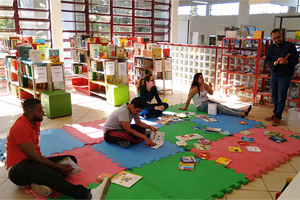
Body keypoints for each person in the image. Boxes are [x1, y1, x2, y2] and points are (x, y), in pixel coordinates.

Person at [5, 98, 111, 199]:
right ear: (30, 114)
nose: (43, 112)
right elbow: (33, 156)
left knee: (70, 160)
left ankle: (38, 182)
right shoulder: (21, 128)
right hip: (17, 169)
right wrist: (57, 167)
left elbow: (35, 156)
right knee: (54, 174)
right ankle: (88, 195)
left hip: (32, 162)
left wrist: (56, 166)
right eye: (40, 110)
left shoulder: (35, 121)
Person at [265, 29, 299, 126]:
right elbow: (267, 61)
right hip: (274, 74)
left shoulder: (290, 46)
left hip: (285, 75)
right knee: (274, 96)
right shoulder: (271, 47)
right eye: (274, 38)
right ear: (272, 38)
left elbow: (295, 60)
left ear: (281, 35)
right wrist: (275, 63)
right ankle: (276, 114)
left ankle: (277, 117)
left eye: (278, 37)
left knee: (281, 97)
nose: (276, 40)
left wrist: (286, 62)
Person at [179, 73, 252, 117]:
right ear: (196, 80)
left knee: (222, 105)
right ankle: (240, 114)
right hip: (201, 106)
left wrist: (210, 88)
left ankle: (242, 111)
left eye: (202, 77)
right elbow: (189, 99)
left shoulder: (204, 85)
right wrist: (185, 108)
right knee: (220, 108)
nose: (203, 79)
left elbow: (211, 93)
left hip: (207, 101)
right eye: (201, 78)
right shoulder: (194, 89)